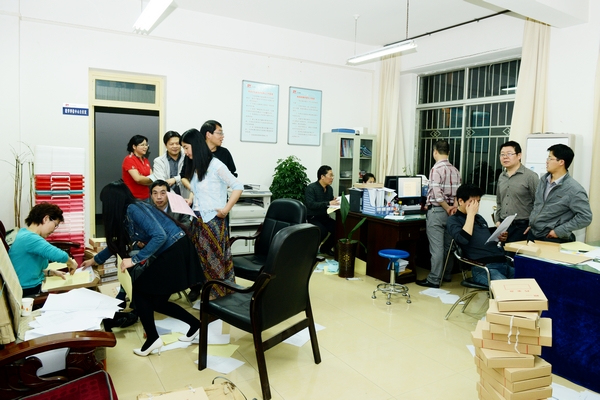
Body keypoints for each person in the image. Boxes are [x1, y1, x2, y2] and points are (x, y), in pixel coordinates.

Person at [81, 181, 203, 357]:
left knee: (140, 290)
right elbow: (118, 243)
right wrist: (94, 260)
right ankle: (195, 325)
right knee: (157, 301)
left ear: (112, 201)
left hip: (175, 249)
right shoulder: (126, 213)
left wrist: (134, 260)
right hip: (171, 249)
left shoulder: (133, 209)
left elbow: (159, 235)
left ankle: (153, 339)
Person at [181, 128, 243, 300]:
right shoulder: (198, 166)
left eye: (186, 147)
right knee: (201, 262)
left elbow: (238, 186)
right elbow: (200, 190)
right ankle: (209, 297)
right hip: (198, 219)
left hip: (212, 221)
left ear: (195, 145)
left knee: (213, 262)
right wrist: (191, 199)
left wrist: (226, 209)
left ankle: (216, 298)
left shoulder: (216, 165)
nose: (185, 152)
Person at [447, 183, 514, 286]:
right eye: (472, 202)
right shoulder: (453, 220)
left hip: (503, 263)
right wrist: (470, 214)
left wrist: (500, 237)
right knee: (506, 288)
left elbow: (486, 239)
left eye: (478, 202)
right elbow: (463, 239)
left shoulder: (479, 218)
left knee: (532, 280)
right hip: (483, 268)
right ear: (460, 201)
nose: (476, 206)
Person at [526, 144, 592, 243]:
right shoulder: (543, 181)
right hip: (533, 234)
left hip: (553, 238)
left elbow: (585, 217)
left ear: (561, 162)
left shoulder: (574, 189)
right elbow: (538, 205)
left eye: (550, 158)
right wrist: (532, 223)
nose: (547, 161)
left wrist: (559, 231)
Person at [417, 140, 461, 288]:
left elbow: (437, 193)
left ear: (435, 152)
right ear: (449, 153)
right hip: (452, 213)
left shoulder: (435, 169)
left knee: (437, 248)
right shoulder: (455, 170)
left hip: (437, 211)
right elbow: (458, 194)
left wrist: (446, 207)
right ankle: (446, 274)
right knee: (448, 246)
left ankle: (434, 279)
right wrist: (453, 208)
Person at [9, 203, 77, 297]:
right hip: (28, 291)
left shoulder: (24, 233)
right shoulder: (30, 238)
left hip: (28, 287)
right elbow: (59, 255)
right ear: (46, 219)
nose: (54, 230)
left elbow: (27, 269)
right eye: (55, 225)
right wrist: (71, 263)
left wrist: (50, 272)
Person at [495, 141, 539, 243]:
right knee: (503, 252)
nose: (505, 157)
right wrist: (497, 221)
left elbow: (539, 203)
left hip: (522, 227)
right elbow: (499, 202)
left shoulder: (530, 176)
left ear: (519, 155)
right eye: (502, 154)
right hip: (504, 226)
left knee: (517, 253)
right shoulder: (502, 176)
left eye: (509, 154)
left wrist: (533, 224)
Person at [305, 165, 339, 257]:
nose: (332, 178)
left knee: (338, 228)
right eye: (330, 175)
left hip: (324, 217)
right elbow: (311, 204)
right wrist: (328, 202)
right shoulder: (311, 188)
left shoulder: (329, 189)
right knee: (322, 231)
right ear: (322, 176)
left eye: (332, 175)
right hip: (312, 217)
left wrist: (335, 201)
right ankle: (309, 252)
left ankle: (325, 248)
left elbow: (328, 203)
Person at [153, 131, 189, 197]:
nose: (175, 146)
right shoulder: (158, 161)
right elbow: (162, 182)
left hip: (187, 197)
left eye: (177, 143)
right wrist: (174, 197)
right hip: (168, 197)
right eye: (171, 144)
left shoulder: (188, 157)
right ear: (165, 145)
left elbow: (189, 175)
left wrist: (175, 179)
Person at [122, 135, 153, 201]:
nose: (145, 147)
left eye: (146, 145)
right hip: (133, 198)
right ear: (134, 146)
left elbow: (153, 177)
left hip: (146, 196)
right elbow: (138, 179)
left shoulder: (145, 160)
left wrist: (144, 179)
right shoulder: (129, 159)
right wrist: (148, 179)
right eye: (142, 145)